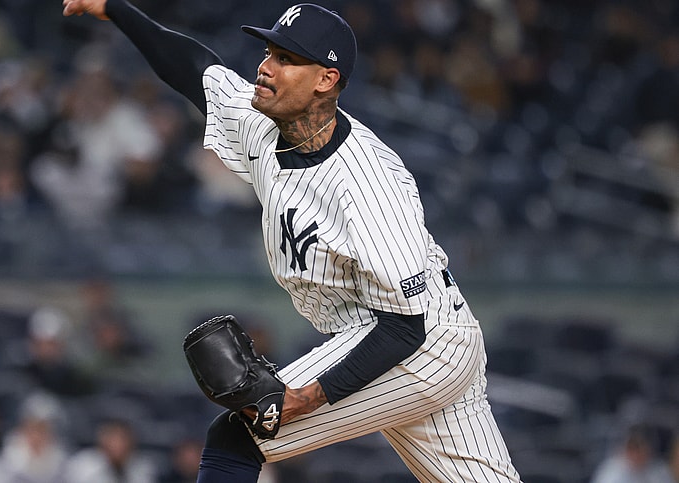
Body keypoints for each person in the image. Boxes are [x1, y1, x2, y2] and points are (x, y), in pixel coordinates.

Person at [61, 1, 521, 482]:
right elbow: (195, 70)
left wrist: (305, 397)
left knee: (238, 436)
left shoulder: (366, 184)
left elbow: (405, 328)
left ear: (325, 79)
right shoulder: (264, 126)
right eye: (268, 51)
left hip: (423, 344)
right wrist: (115, 8)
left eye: (285, 58)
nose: (265, 65)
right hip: (398, 333)